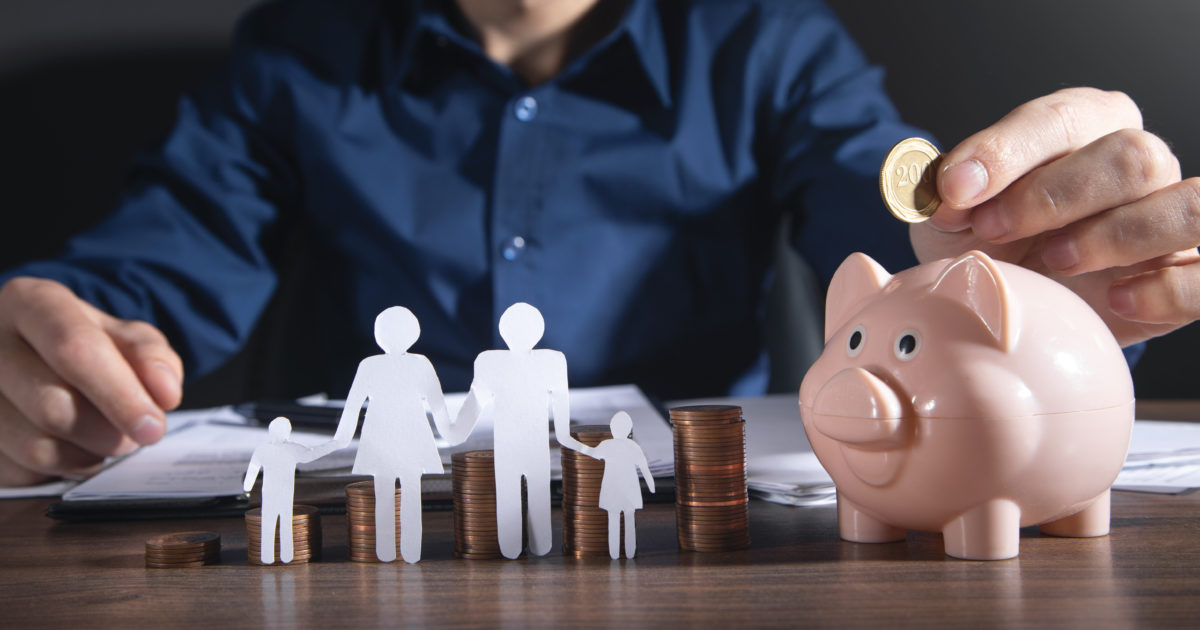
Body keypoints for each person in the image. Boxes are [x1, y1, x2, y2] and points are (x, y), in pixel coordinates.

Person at [0, 0, 1196, 487]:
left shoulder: (763, 42)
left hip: (689, 548)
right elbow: (141, 283)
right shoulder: (294, 51)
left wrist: (1016, 283)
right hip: (368, 551)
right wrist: (53, 354)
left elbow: (896, 224)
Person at [330, 305, 460, 563]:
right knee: (408, 491)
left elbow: (353, 407)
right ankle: (403, 550)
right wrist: (454, 430)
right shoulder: (419, 364)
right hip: (404, 434)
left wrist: (341, 439)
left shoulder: (372, 365)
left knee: (387, 492)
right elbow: (439, 410)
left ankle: (390, 550)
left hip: (388, 433)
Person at [454, 302, 584, 559]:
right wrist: (563, 435)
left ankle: (526, 546)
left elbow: (474, 402)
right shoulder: (545, 360)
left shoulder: (544, 361)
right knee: (528, 490)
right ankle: (528, 545)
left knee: (518, 491)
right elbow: (476, 400)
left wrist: (456, 431)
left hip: (519, 444)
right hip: (520, 443)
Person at [243, 416, 339, 564]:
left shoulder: (262, 449)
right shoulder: (292, 448)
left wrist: (247, 487)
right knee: (285, 523)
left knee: (269, 523)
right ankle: (286, 555)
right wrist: (332, 445)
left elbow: (252, 470)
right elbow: (312, 454)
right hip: (284, 492)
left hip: (270, 493)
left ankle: (268, 556)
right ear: (287, 432)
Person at [581, 411, 656, 560]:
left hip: (612, 490)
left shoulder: (607, 445)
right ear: (629, 429)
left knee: (613, 521)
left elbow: (591, 452)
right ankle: (629, 553)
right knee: (629, 520)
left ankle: (614, 554)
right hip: (629, 490)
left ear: (612, 428)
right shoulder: (633, 446)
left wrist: (576, 445)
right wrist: (652, 487)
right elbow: (645, 469)